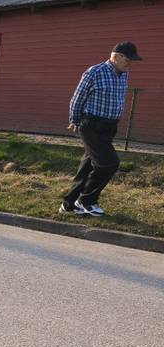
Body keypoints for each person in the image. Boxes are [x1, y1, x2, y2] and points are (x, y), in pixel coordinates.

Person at [60, 41, 141, 217]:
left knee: (88, 166)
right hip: (91, 125)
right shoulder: (95, 72)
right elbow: (77, 97)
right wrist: (74, 119)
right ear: (117, 56)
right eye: (128, 59)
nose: (130, 63)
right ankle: (86, 200)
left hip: (109, 127)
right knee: (109, 163)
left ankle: (68, 204)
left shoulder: (124, 73)